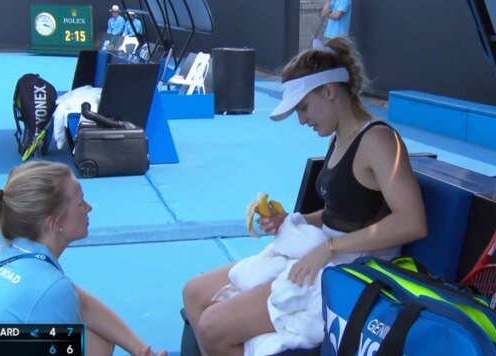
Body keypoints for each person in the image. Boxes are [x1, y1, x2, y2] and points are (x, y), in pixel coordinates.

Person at [182, 36, 427, 355]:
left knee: (213, 326)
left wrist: (329, 247)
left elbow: (412, 222)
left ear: (329, 91)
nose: (301, 120)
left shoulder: (379, 140)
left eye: (304, 108)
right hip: (327, 254)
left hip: (353, 270)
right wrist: (291, 220)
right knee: (194, 293)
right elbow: (343, 212)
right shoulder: (340, 137)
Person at [0, 161, 166, 356]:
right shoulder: (52, 288)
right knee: (93, 343)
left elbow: (83, 304)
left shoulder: (2, 253)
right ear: (54, 222)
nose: (89, 207)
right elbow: (62, 295)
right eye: (80, 202)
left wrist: (140, 350)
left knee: (97, 340)